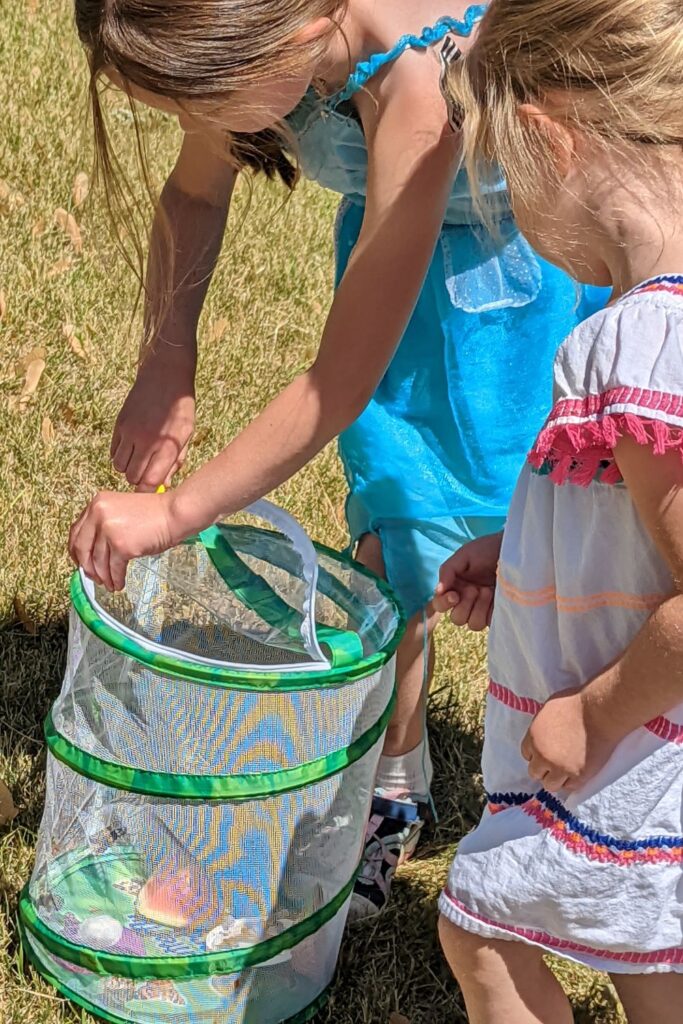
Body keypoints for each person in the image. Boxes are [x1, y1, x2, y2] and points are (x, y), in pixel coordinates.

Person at [69, 0, 605, 918]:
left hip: (539, 284)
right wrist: (167, 350)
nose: (203, 124)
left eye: (204, 99)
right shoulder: (252, 29)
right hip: (397, 288)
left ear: (288, 39)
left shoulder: (418, 88)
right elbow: (194, 194)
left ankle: (586, 794)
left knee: (566, 549)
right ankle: (394, 786)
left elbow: (333, 385)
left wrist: (172, 513)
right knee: (397, 553)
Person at [434, 1, 683, 1020]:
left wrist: (591, 711)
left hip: (632, 740)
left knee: (475, 923)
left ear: (544, 140)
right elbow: (638, 525)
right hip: (646, 749)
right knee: (650, 956)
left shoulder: (634, 346)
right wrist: (526, 549)